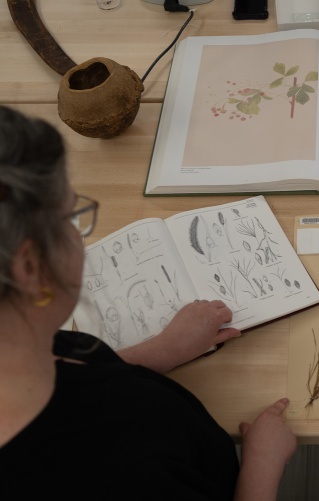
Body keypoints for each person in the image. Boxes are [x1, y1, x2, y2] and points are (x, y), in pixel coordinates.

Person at [0, 105, 296, 500]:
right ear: (29, 267)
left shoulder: (22, 346)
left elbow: (68, 380)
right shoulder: (126, 472)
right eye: (70, 219)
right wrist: (261, 463)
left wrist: (160, 351)